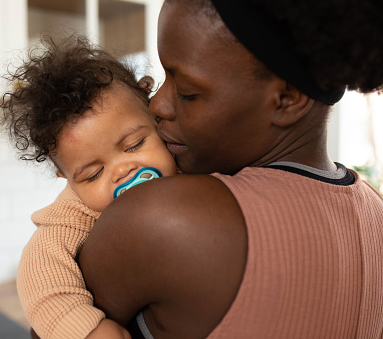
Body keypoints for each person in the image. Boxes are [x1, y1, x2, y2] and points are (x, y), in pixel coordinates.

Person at [77, 0, 383, 338]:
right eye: (165, 78)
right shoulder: (375, 210)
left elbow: (51, 322)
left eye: (189, 93)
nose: (157, 105)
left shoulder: (164, 215)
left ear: (286, 99)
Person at [0, 36, 177, 339]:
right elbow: (41, 272)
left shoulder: (188, 161)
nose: (121, 171)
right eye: (93, 175)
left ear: (154, 117)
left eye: (134, 145)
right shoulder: (76, 213)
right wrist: (84, 329)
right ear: (65, 177)